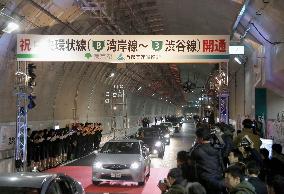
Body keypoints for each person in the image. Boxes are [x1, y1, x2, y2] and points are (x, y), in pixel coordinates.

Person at [189, 125, 226, 194]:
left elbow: (190, 158)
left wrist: (196, 144)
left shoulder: (197, 150)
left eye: (197, 137)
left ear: (201, 138)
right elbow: (221, 161)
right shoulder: (216, 147)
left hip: (205, 180)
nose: (196, 139)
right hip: (217, 178)